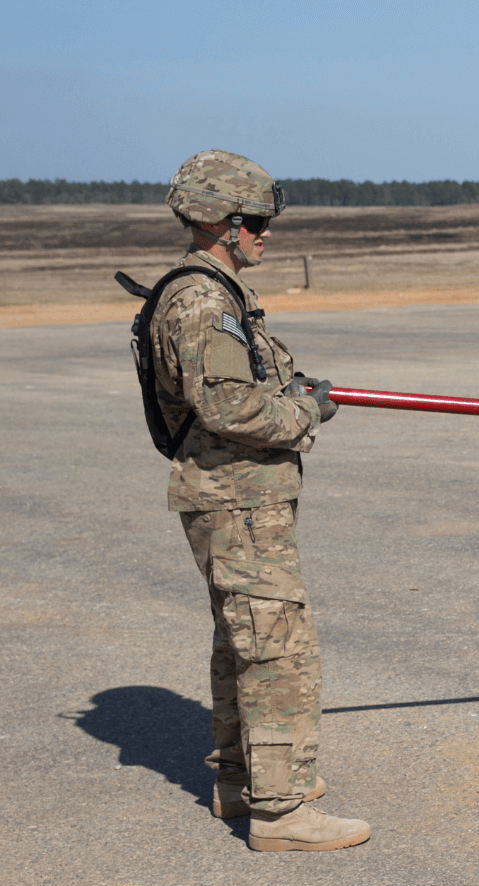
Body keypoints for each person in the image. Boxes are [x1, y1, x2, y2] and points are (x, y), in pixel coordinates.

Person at [150, 149, 369, 850]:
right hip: (237, 501)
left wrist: (296, 390)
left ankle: (243, 780)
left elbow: (242, 390)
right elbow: (228, 408)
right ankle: (282, 810)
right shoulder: (204, 300)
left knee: (242, 642)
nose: (266, 233)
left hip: (236, 498)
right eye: (255, 221)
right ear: (220, 222)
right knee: (278, 650)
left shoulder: (216, 292)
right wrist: (306, 415)